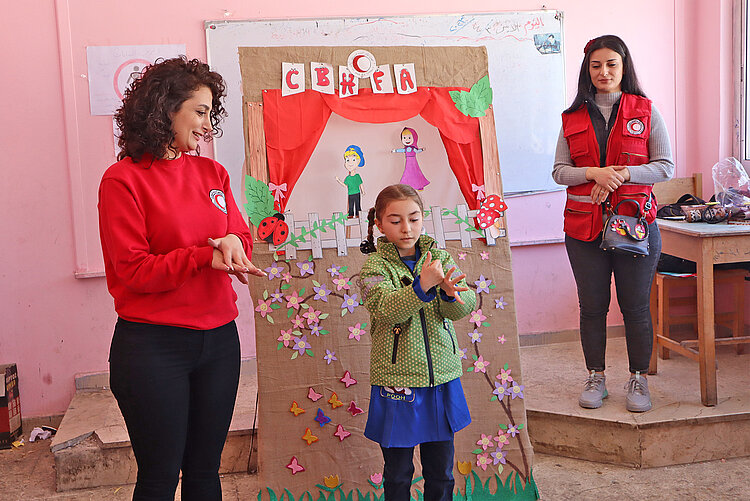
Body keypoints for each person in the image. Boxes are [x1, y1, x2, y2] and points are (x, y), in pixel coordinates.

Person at [98, 56, 265, 500]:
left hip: (219, 343)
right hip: (153, 347)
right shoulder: (123, 180)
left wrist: (232, 243)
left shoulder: (213, 174)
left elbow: (241, 236)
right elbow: (133, 270)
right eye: (201, 110)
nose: (208, 124)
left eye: (212, 112)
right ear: (166, 108)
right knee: (159, 477)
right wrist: (202, 256)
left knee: (206, 474)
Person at [552, 35, 674, 413]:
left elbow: (665, 166)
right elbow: (560, 172)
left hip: (634, 227)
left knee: (635, 307)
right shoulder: (571, 118)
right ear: (587, 71)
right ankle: (596, 376)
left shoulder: (646, 111)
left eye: (611, 65)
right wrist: (593, 172)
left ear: (624, 68)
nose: (603, 72)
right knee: (592, 307)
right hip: (583, 230)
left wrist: (619, 174)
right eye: (596, 66)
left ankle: (638, 379)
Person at [358, 184, 476, 500]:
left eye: (413, 218)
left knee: (442, 472)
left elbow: (465, 305)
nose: (406, 228)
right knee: (398, 475)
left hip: (441, 381)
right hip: (398, 384)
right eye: (395, 220)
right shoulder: (373, 267)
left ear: (423, 218)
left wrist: (452, 293)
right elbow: (384, 310)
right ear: (379, 224)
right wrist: (422, 286)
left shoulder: (439, 257)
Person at [335, 144, 366, 218]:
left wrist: (363, 191)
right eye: (348, 160)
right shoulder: (348, 178)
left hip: (357, 193)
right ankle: (350, 215)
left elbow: (360, 184)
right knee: (351, 205)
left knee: (357, 204)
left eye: (353, 160)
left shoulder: (357, 176)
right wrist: (338, 180)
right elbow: (345, 185)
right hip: (350, 193)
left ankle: (359, 215)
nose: (350, 163)